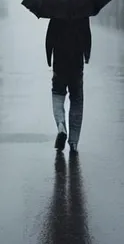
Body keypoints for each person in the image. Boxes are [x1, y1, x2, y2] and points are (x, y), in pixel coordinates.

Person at [45, 17, 91, 153]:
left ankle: (61, 125)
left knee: (57, 96)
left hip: (59, 64)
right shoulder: (82, 15)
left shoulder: (56, 13)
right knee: (76, 101)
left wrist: (49, 58)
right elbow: (87, 36)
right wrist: (86, 55)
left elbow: (49, 38)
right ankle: (74, 141)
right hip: (76, 65)